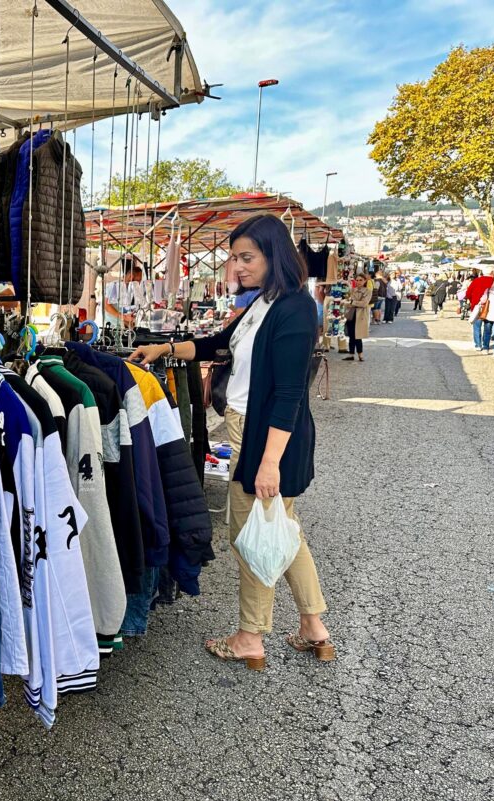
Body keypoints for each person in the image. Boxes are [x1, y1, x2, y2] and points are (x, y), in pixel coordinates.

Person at [130, 213, 332, 671]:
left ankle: (249, 638)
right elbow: (219, 344)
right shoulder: (266, 301)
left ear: (274, 255)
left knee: (251, 535)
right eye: (234, 258)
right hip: (252, 427)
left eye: (247, 258)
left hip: (265, 434)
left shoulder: (295, 309)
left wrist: (269, 461)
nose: (237, 267)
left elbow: (289, 394)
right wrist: (166, 348)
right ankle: (313, 627)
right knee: (281, 528)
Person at [466, 267, 494, 351]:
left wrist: (473, 301)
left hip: (477, 306)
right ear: (492, 272)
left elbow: (468, 293)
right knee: (488, 327)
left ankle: (478, 345)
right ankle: (486, 346)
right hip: (490, 307)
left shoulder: (476, 281)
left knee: (477, 327)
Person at [344, 272, 371, 361]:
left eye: (361, 280)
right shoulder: (352, 290)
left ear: (364, 281)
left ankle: (360, 354)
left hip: (361, 315)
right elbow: (347, 302)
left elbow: (364, 303)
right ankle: (351, 354)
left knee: (358, 335)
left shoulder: (368, 291)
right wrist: (352, 303)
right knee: (351, 335)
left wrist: (353, 302)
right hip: (351, 314)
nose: (359, 282)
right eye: (357, 280)